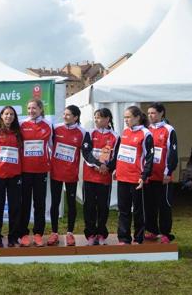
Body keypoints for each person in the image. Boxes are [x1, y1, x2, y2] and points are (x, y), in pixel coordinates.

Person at [47, 105, 97, 246]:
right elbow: (49, 145)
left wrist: (99, 164)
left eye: (68, 115)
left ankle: (70, 233)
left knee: (71, 204)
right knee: (55, 203)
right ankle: (54, 232)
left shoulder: (82, 132)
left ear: (75, 117)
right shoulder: (55, 129)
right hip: (56, 172)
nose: (65, 116)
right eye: (64, 114)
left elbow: (87, 153)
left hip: (71, 174)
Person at [115, 106, 154, 245]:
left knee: (138, 210)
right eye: (125, 117)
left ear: (137, 117)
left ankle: (138, 238)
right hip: (122, 176)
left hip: (137, 178)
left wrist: (143, 177)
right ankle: (124, 238)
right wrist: (116, 169)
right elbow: (120, 153)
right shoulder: (125, 132)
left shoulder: (146, 133)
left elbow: (149, 157)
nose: (126, 120)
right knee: (123, 209)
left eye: (129, 117)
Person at [82, 108, 120, 246]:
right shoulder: (89, 133)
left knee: (103, 207)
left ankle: (101, 233)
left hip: (105, 177)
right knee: (89, 206)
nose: (96, 120)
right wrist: (98, 164)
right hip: (90, 176)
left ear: (107, 119)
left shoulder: (115, 136)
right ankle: (90, 234)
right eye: (95, 117)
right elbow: (86, 153)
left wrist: (108, 167)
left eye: (99, 117)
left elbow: (116, 157)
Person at [18, 99, 53, 247]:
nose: (31, 111)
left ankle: (38, 234)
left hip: (41, 171)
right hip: (25, 170)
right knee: (24, 203)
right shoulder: (22, 124)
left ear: (40, 109)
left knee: (39, 203)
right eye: (29, 108)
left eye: (34, 108)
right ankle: (24, 234)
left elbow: (52, 146)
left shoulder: (48, 125)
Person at [0, 106, 22, 247]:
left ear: (14, 117)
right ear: (1, 115)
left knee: (15, 206)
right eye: (6, 114)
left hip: (15, 175)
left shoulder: (19, 133)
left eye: (11, 114)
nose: (9, 116)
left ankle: (13, 236)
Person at [145, 103, 178, 244]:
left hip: (163, 176)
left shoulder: (169, 130)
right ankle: (152, 230)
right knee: (149, 204)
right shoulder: (146, 130)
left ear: (161, 113)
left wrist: (168, 172)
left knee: (164, 205)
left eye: (153, 113)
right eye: (148, 113)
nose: (150, 116)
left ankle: (165, 233)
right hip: (149, 175)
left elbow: (173, 153)